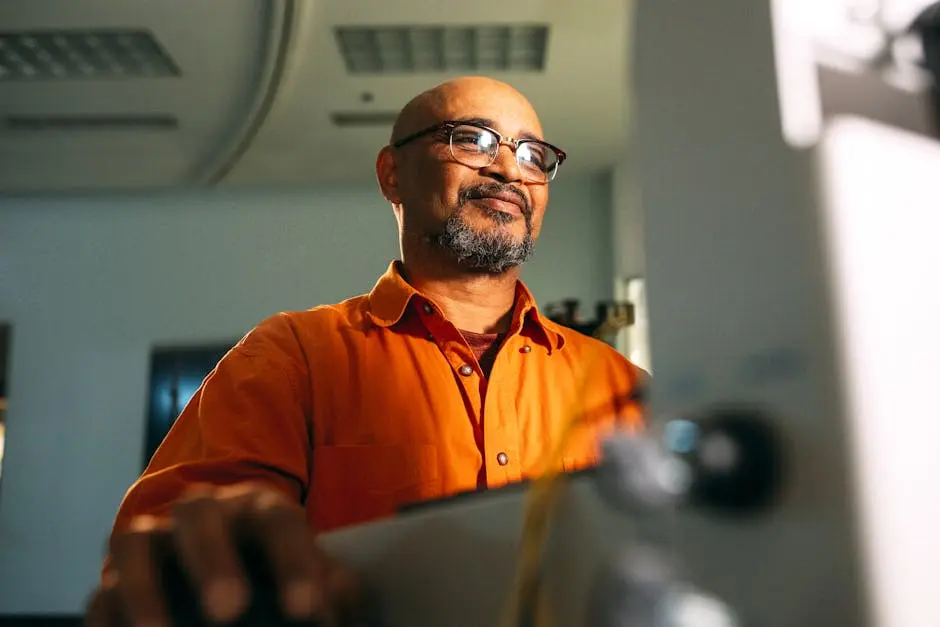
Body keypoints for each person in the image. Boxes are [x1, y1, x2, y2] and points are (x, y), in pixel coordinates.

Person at [86, 76, 645, 627]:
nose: (506, 168)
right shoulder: (291, 358)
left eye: (532, 154)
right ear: (391, 174)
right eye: (473, 139)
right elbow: (167, 573)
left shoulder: (619, 386)